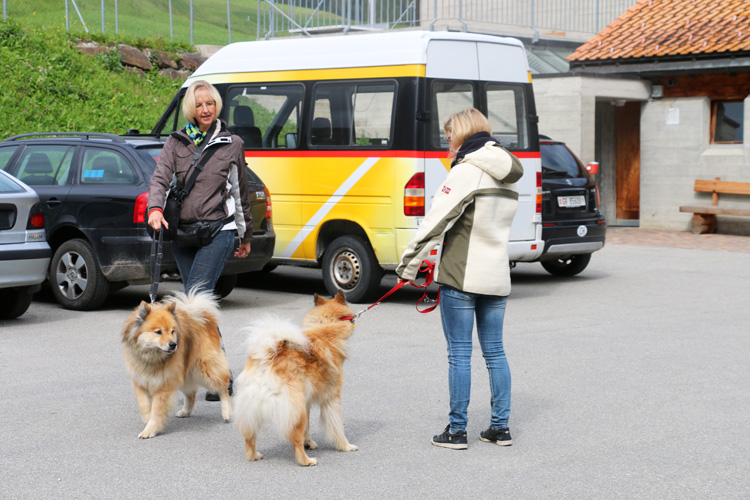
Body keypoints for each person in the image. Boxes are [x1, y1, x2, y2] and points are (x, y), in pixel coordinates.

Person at [395, 108, 523, 450]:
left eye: (448, 134)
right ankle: (500, 428)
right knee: (495, 352)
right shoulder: (508, 173)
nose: (446, 141)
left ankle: (456, 431)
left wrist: (408, 266)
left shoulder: (467, 171)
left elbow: (435, 223)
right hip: (497, 274)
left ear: (462, 133)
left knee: (459, 354)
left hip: (462, 276)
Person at [147, 80, 254, 400]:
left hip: (217, 232)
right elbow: (160, 178)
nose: (205, 109)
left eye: (210, 104)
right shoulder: (177, 142)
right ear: (190, 109)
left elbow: (240, 190)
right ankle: (218, 372)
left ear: (217, 106)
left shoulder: (231, 143)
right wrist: (154, 208)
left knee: (196, 300)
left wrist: (245, 232)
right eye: (199, 105)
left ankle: (214, 374)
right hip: (183, 233)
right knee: (199, 307)